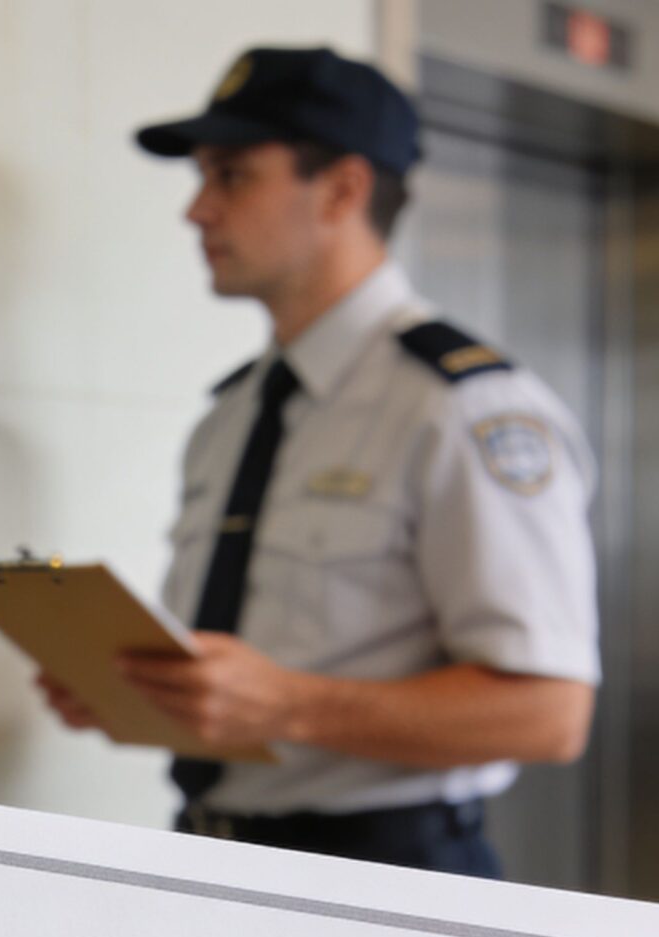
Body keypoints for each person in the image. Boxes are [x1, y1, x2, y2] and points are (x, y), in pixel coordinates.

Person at [36, 47, 598, 878]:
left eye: (231, 176)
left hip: (391, 876)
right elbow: (249, 673)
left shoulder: (461, 408)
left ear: (341, 190)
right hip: (213, 857)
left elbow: (549, 714)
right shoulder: (232, 416)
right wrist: (140, 693)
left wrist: (290, 706)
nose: (197, 210)